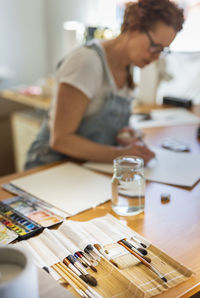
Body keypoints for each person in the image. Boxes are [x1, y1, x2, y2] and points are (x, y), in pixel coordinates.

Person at [25, 0, 184, 170]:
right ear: (133, 28)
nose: (156, 57)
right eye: (155, 46)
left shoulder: (128, 66)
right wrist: (121, 154)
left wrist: (126, 134)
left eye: (163, 50)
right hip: (51, 169)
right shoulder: (86, 62)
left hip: (87, 168)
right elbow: (61, 140)